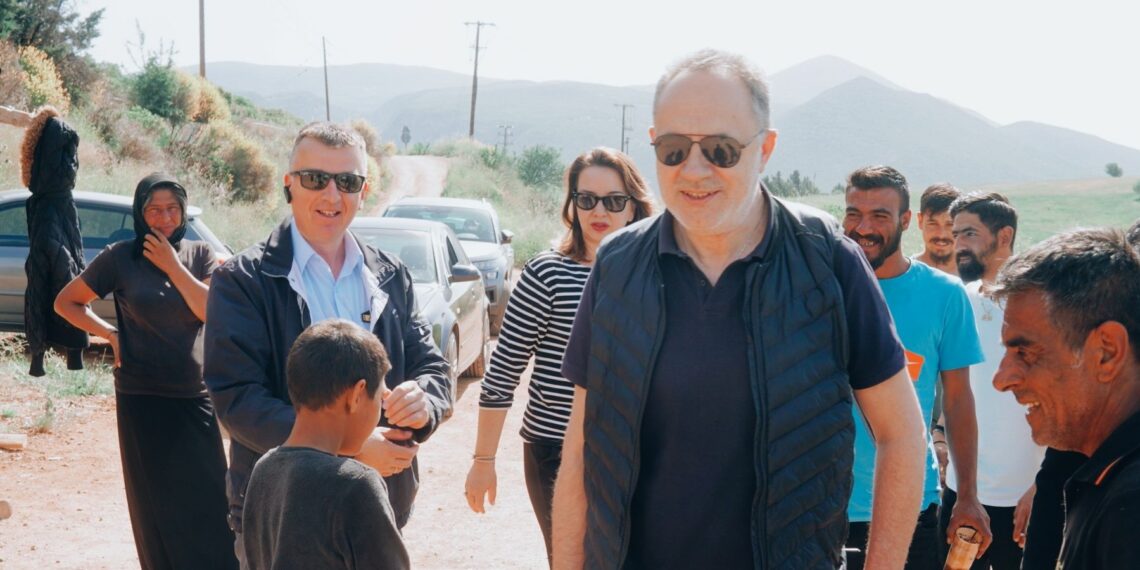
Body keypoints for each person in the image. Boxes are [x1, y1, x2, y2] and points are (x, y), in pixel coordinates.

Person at [553, 49, 928, 569]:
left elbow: (902, 434)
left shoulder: (827, 261)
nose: (694, 170)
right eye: (674, 149)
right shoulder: (617, 265)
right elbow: (580, 450)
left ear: (765, 148)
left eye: (722, 150)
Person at [203, 122, 450, 566]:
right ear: (289, 184)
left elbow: (431, 366)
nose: (332, 195)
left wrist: (425, 402)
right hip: (282, 515)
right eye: (316, 179)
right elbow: (236, 400)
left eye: (347, 181)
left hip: (377, 508)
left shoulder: (391, 275)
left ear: (364, 191)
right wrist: (347, 450)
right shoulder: (242, 280)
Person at [464, 147, 654, 563]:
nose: (598, 211)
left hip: (635, 450)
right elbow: (503, 371)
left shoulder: (655, 276)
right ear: (572, 204)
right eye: (586, 199)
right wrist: (483, 460)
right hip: (555, 448)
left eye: (613, 201)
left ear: (634, 206)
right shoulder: (546, 273)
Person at [54, 173, 235, 569]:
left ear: (183, 212)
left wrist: (173, 265)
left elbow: (209, 311)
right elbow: (66, 302)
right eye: (154, 210)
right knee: (155, 503)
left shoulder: (200, 254)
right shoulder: (120, 257)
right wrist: (110, 334)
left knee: (210, 499)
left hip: (193, 396)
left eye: (172, 209)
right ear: (140, 213)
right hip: (141, 397)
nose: (164, 219)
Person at [842, 166, 988, 569]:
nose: (863, 227)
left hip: (909, 504)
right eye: (854, 213)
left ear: (906, 220)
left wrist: (968, 495)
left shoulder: (944, 295)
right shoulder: (822, 287)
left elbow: (957, 401)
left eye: (880, 216)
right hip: (824, 505)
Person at [991, 227, 1140, 569]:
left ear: (1106, 352)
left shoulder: (1131, 509)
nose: (1001, 380)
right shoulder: (1106, 474)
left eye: (1025, 352)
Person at [242, 319, 410, 570]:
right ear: (356, 395)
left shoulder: (263, 469)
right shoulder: (356, 485)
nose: (380, 413)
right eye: (379, 399)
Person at [939, 192, 1044, 569]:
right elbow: (955, 390)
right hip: (961, 495)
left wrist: (1042, 485)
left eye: (969, 234)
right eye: (956, 235)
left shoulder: (1041, 305)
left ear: (1004, 236)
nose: (959, 245)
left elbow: (1064, 401)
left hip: (1025, 498)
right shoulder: (959, 299)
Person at [913, 183, 962, 277]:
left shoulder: (979, 279)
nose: (941, 234)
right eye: (933, 224)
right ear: (920, 221)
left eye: (950, 224)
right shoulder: (904, 275)